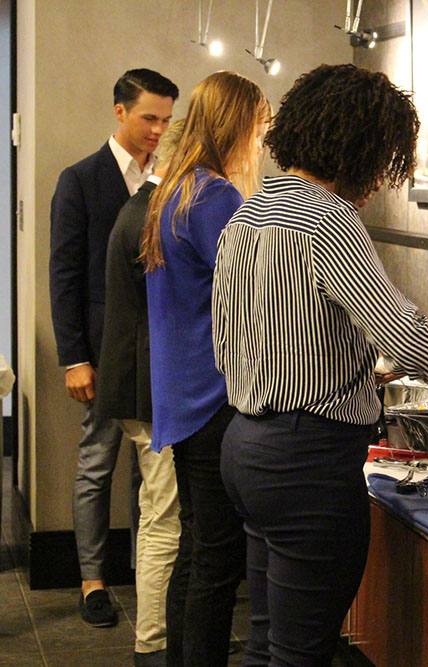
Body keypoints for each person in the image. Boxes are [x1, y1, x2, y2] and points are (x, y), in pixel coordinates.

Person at [213, 63, 428, 666]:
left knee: (268, 645)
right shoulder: (329, 222)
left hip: (245, 447)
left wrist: (348, 367)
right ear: (360, 148)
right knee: (301, 655)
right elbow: (404, 337)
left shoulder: (248, 214)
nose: (381, 179)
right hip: (308, 465)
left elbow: (252, 335)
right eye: (384, 159)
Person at [140, 71, 270, 666]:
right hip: (211, 396)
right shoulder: (216, 197)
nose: (262, 140)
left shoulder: (173, 189)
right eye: (259, 127)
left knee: (196, 552)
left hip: (178, 393)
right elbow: (258, 293)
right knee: (216, 561)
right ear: (237, 127)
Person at [49, 68, 178, 628]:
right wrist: (74, 357)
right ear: (120, 111)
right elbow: (64, 278)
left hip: (159, 347)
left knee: (149, 469)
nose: (158, 130)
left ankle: (140, 571)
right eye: (149, 117)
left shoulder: (173, 179)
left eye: (167, 120)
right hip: (102, 350)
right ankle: (92, 580)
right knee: (97, 463)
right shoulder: (80, 179)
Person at [94, 119, 185, 667]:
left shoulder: (144, 207)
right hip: (148, 389)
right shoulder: (156, 213)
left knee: (157, 511)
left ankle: (158, 637)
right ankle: (154, 641)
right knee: (163, 517)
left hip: (138, 386)